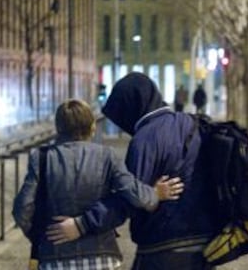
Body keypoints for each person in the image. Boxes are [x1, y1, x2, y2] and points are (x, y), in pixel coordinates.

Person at [46, 73, 220, 270]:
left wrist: (82, 224)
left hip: (162, 247)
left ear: (132, 107)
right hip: (205, 245)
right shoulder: (192, 123)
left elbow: (128, 198)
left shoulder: (145, 139)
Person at [12, 99, 183, 270]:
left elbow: (22, 209)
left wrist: (44, 236)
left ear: (58, 128)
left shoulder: (41, 158)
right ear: (92, 127)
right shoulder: (107, 156)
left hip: (55, 260)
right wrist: (155, 194)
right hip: (103, 257)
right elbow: (135, 196)